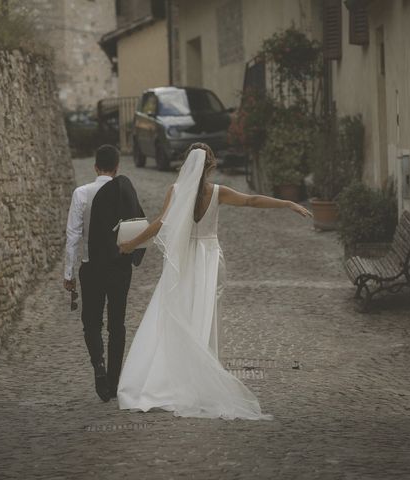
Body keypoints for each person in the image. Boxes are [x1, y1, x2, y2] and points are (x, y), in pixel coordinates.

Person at [117, 143, 312, 420]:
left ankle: (172, 377)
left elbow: (160, 223)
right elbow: (251, 200)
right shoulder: (217, 192)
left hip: (184, 259)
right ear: (211, 165)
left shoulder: (175, 191)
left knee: (177, 312)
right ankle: (202, 376)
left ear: (187, 163)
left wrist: (132, 244)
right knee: (207, 316)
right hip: (208, 259)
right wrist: (288, 203)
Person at [64, 144, 145, 402]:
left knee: (91, 323)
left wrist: (69, 273)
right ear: (117, 167)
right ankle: (113, 379)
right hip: (119, 268)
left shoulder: (82, 193)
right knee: (117, 325)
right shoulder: (125, 192)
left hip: (92, 267)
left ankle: (98, 369)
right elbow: (136, 227)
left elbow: (73, 236)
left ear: (95, 166)